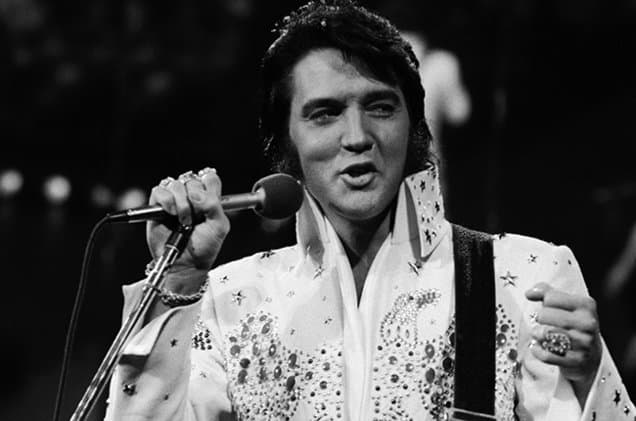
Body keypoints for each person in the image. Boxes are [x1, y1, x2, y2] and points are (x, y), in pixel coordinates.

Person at [105, 1, 634, 420]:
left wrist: (592, 376)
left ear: (413, 127)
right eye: (325, 113)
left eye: (380, 107)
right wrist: (174, 285)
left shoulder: (521, 278)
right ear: (287, 144)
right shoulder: (227, 301)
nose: (357, 136)